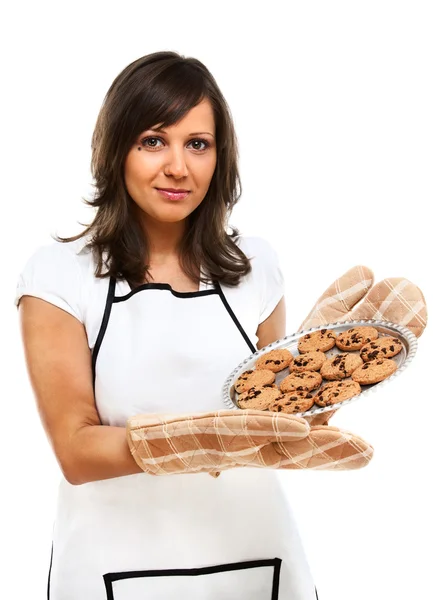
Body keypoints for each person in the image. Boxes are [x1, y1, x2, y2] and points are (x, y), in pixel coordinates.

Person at [15, 51, 374, 600]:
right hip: (115, 563)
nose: (178, 167)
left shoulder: (254, 268)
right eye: (153, 140)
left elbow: (277, 422)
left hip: (257, 554)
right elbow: (76, 451)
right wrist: (205, 439)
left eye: (198, 144)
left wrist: (335, 373)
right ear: (117, 151)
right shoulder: (61, 275)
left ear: (219, 157)